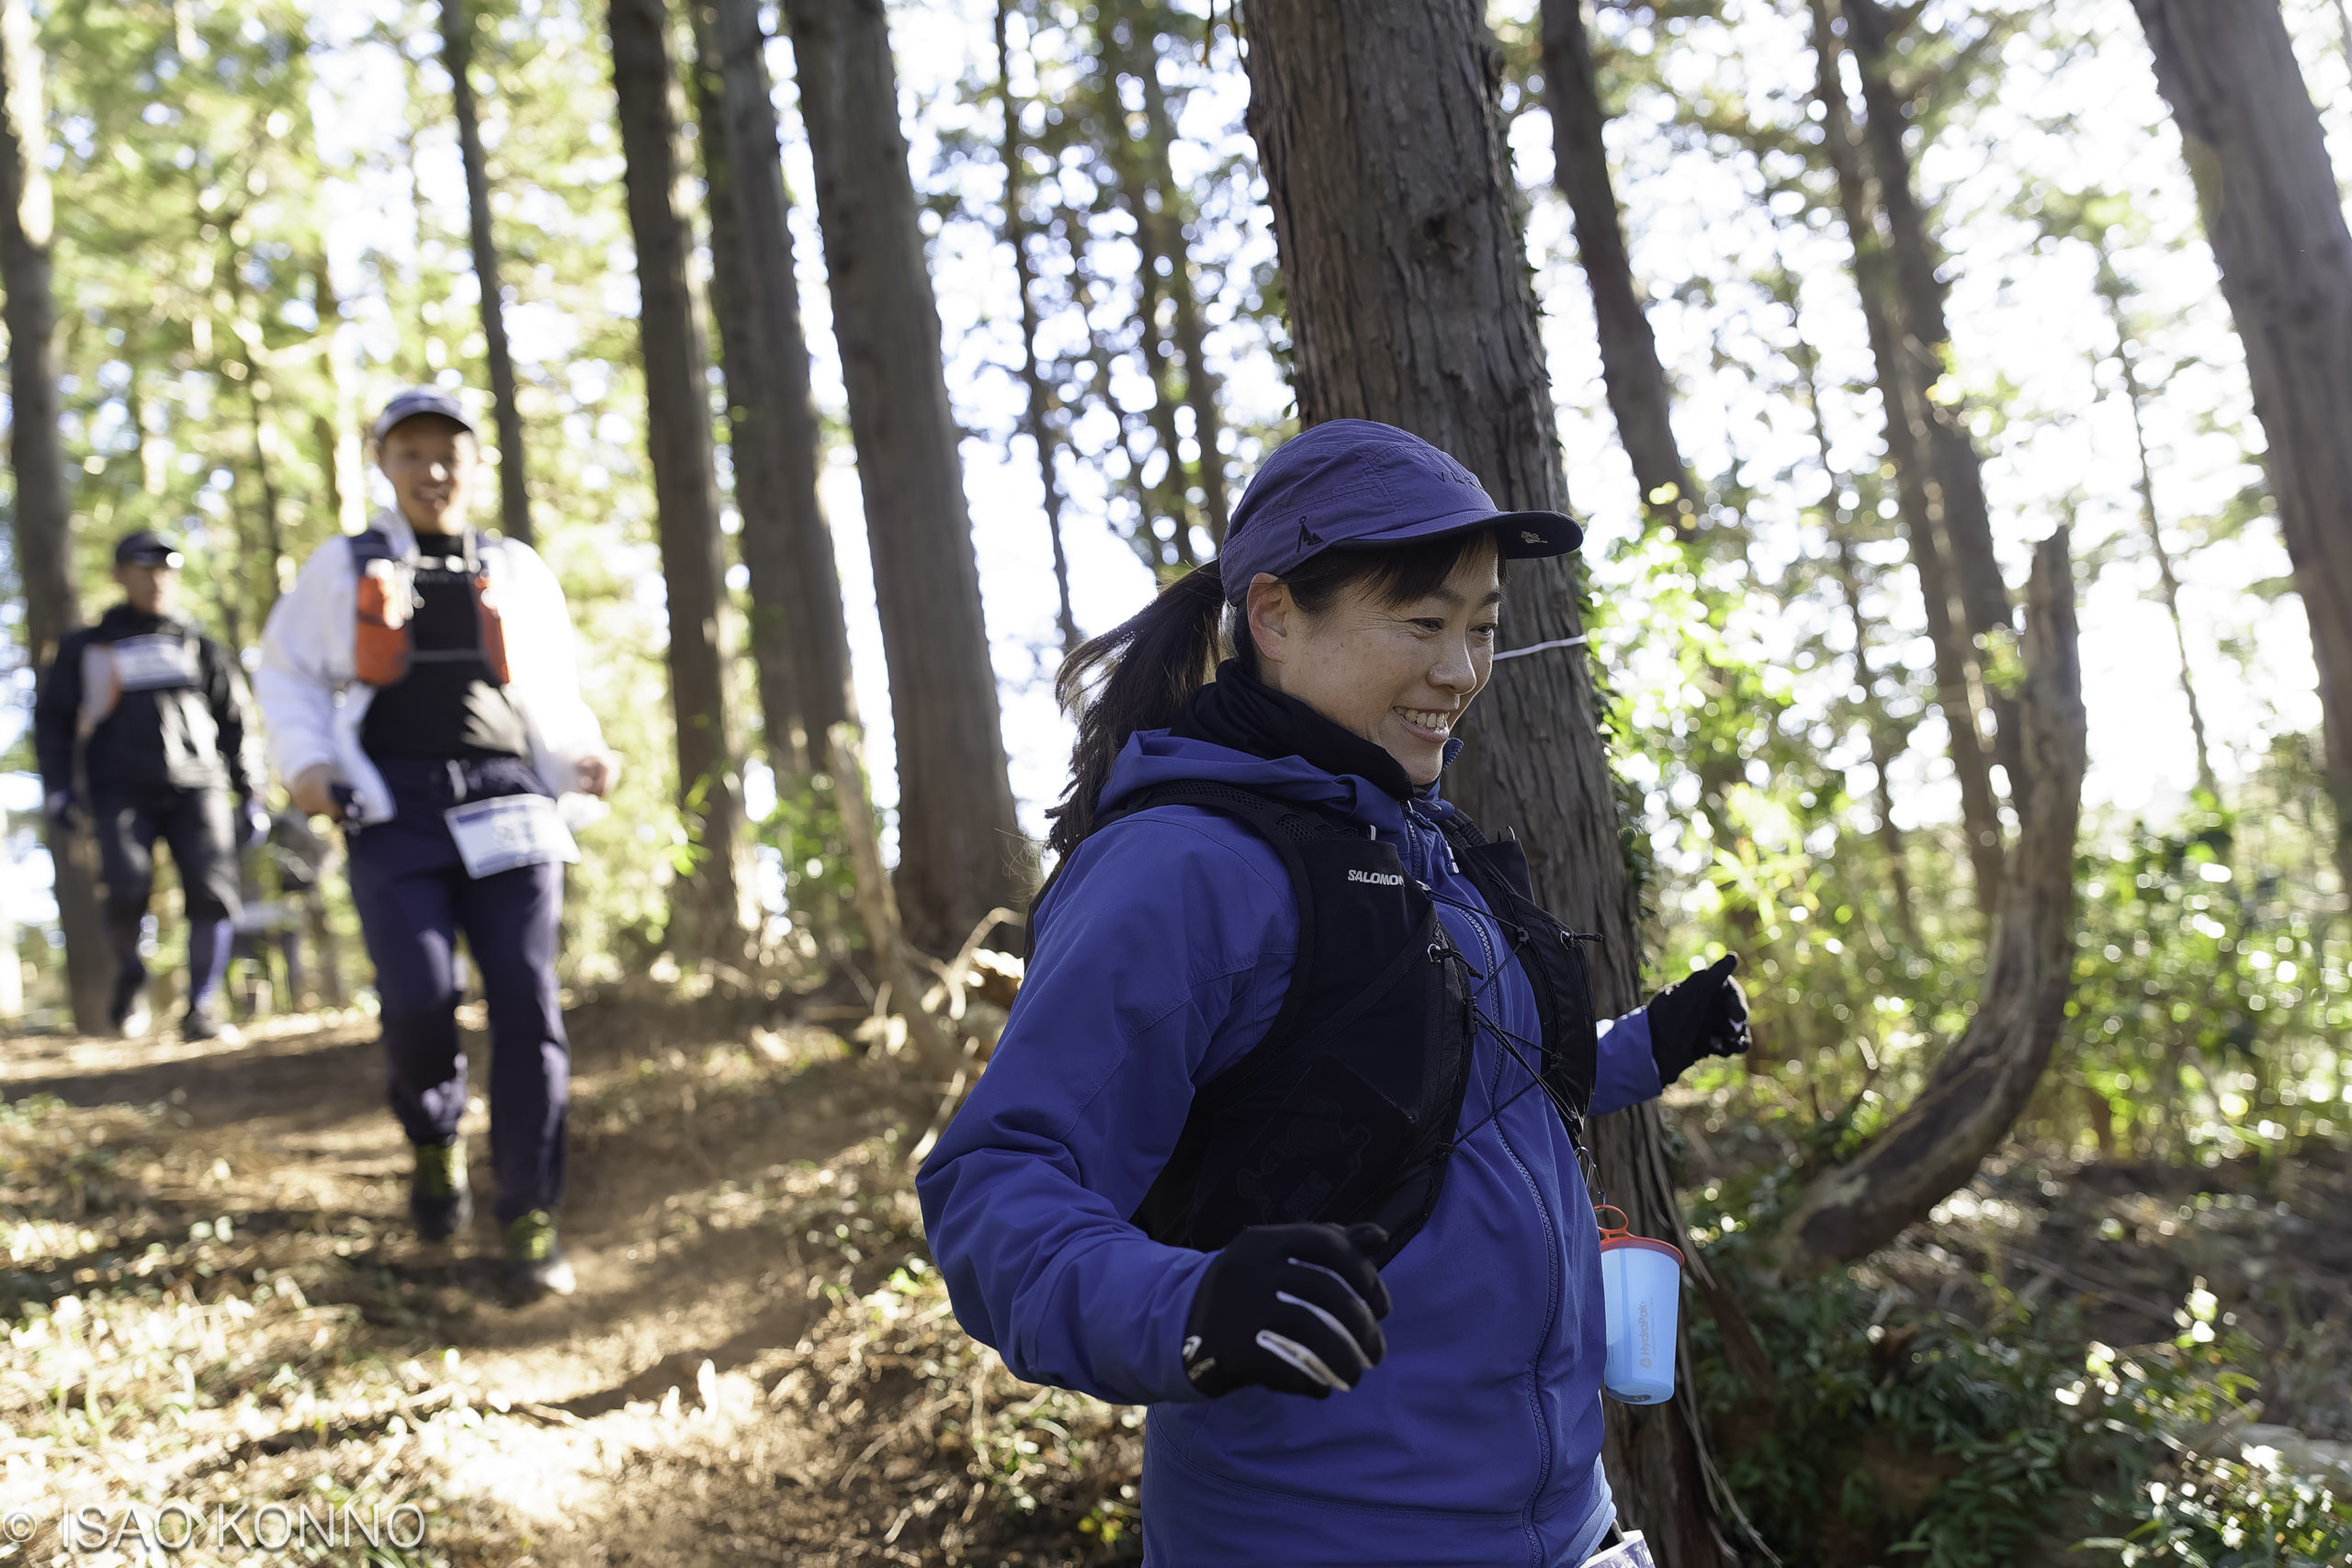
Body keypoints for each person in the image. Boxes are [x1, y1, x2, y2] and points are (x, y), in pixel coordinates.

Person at [918, 420, 1751, 1565]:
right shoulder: (1183, 868)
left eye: (1481, 628)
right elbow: (996, 1186)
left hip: (1564, 1526)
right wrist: (1190, 1308)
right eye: (1421, 623)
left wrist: (1653, 1042)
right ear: (1272, 616)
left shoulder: (1422, 844)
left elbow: (1469, 1087)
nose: (1460, 671)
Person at [254, 387, 616, 1298]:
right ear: (384, 463)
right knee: (419, 997)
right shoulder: (343, 567)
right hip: (391, 807)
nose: (433, 470)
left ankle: (529, 1211)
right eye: (411, 453)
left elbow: (553, 687)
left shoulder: (515, 570)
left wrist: (581, 753)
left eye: (448, 452)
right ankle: (432, 1136)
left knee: (527, 1003)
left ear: (474, 463)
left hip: (507, 801)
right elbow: (289, 674)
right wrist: (308, 768)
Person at [34, 530, 269, 1041]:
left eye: (165, 568)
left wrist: (252, 790)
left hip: (200, 786)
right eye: (144, 568)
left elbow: (236, 721)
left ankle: (201, 1008)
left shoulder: (199, 644)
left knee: (212, 894)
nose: (156, 578)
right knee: (126, 889)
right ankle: (130, 977)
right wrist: (58, 788)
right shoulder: (86, 647)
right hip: (117, 789)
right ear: (119, 575)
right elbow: (53, 723)